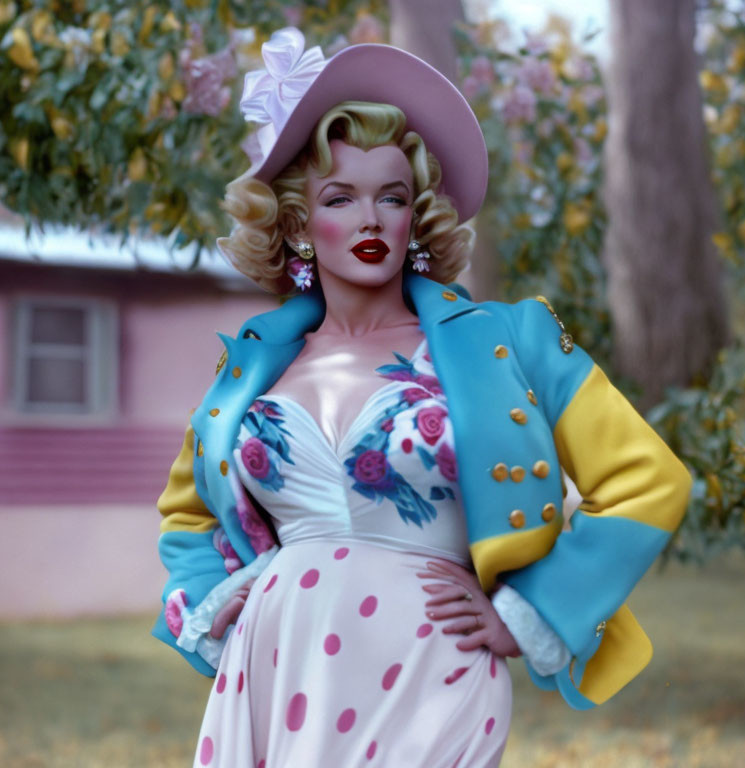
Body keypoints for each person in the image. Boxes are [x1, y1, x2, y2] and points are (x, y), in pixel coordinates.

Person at [152, 28, 692, 768]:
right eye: (340, 196)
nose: (371, 219)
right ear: (299, 223)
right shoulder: (252, 364)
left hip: (430, 665)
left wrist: (531, 612)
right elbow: (186, 513)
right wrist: (214, 606)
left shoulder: (512, 340)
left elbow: (647, 480)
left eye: (393, 196)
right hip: (276, 669)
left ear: (416, 217)